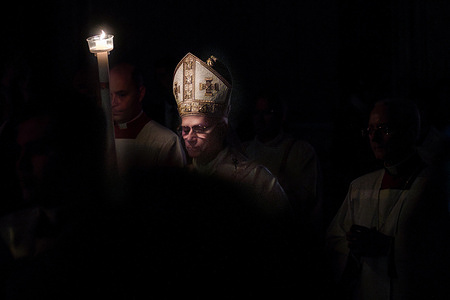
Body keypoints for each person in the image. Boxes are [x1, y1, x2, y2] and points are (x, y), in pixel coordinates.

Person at [325, 98, 449, 299]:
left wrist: (389, 249)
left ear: (410, 132)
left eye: (384, 128)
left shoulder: (435, 188)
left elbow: (441, 252)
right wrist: (352, 247)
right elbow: (333, 241)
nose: (374, 138)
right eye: (370, 130)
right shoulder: (359, 187)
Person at [172, 53, 290, 215]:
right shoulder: (176, 181)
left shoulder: (256, 179)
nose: (190, 137)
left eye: (200, 128)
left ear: (222, 129)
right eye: (185, 130)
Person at [243, 89, 323, 232]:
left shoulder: (301, 151)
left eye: (267, 112)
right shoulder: (243, 151)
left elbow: (306, 202)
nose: (260, 119)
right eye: (257, 113)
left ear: (282, 116)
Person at [110, 63, 185, 173]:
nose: (113, 103)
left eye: (121, 95)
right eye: (109, 95)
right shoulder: (100, 138)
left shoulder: (165, 141)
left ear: (140, 93)